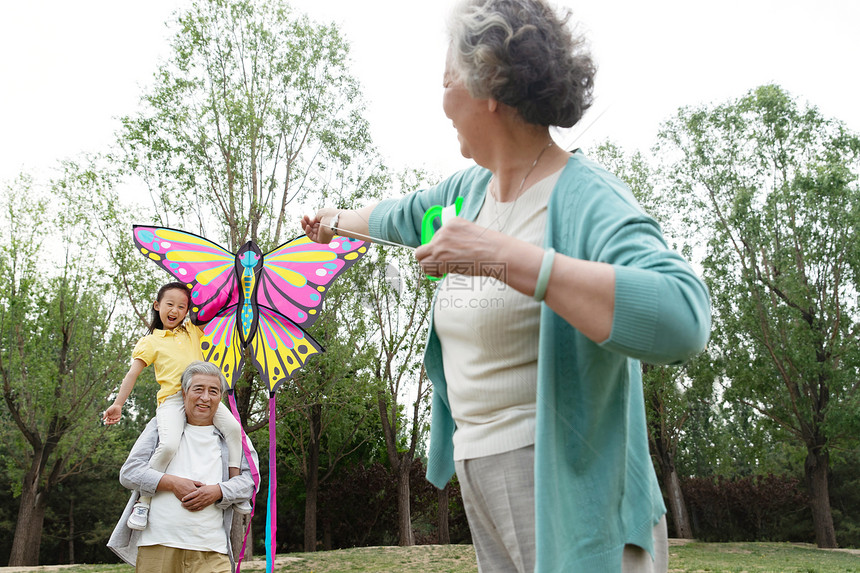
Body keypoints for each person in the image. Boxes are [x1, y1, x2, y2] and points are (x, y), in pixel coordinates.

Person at [301, 0, 710, 571]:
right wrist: (333, 220)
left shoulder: (587, 197)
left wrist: (503, 257)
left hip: (568, 478)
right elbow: (401, 214)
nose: (442, 101)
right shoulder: (471, 191)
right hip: (480, 468)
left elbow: (683, 318)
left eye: (447, 82)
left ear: (487, 86)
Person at [103, 282, 249, 530]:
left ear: (187, 311)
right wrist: (118, 404)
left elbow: (215, 308)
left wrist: (236, 285)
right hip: (172, 400)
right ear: (157, 305)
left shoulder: (191, 331)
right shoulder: (150, 342)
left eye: (182, 306)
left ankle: (234, 487)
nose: (175, 310)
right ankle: (144, 501)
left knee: (234, 430)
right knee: (169, 444)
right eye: (170, 304)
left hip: (203, 396)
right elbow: (132, 374)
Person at [108, 361, 258, 573]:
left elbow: (250, 480)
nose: (205, 397)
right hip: (158, 545)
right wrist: (172, 483)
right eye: (198, 389)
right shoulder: (161, 427)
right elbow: (130, 472)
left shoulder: (232, 435)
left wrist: (218, 491)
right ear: (184, 393)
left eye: (213, 391)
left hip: (212, 549)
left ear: (220, 397)